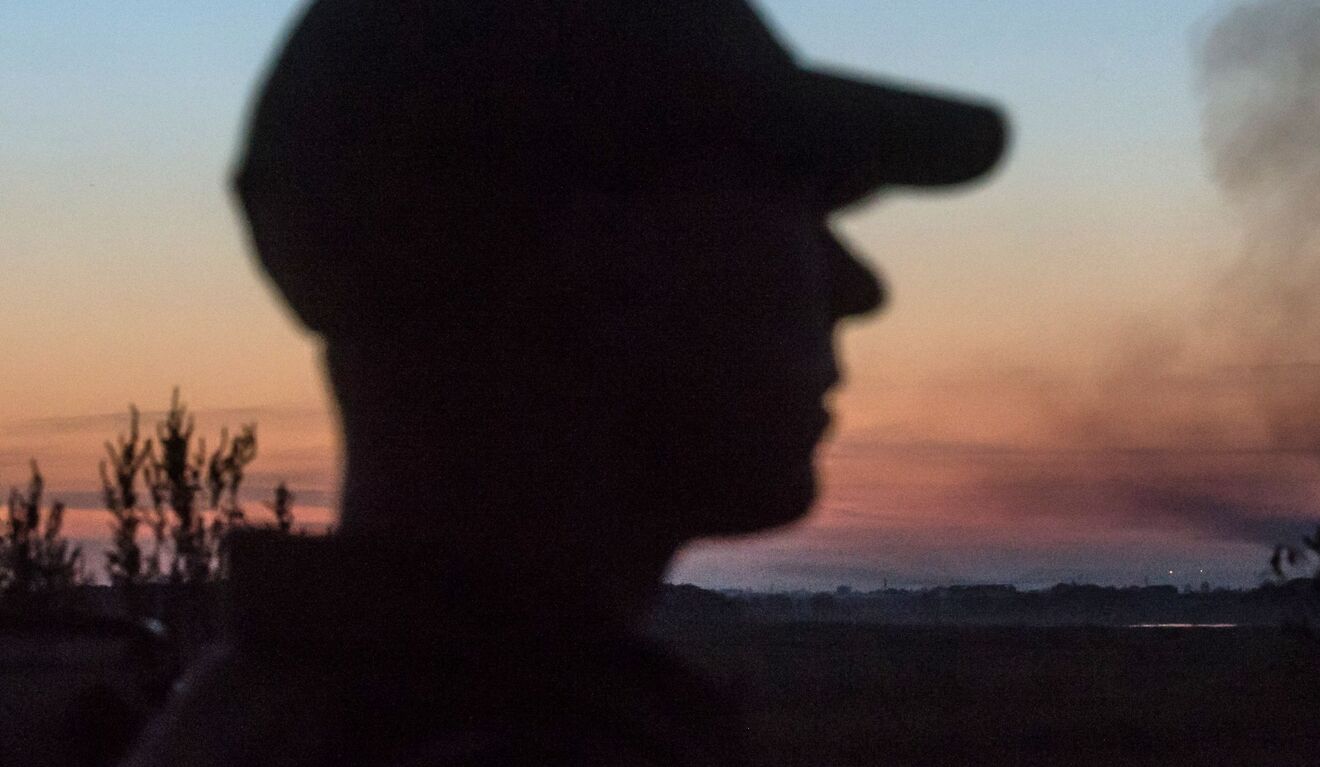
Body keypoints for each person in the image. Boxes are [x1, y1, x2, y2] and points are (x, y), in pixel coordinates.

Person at [119, 1, 1006, 764]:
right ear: (577, 243)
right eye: (794, 202)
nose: (858, 287)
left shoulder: (249, 716)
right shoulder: (515, 741)